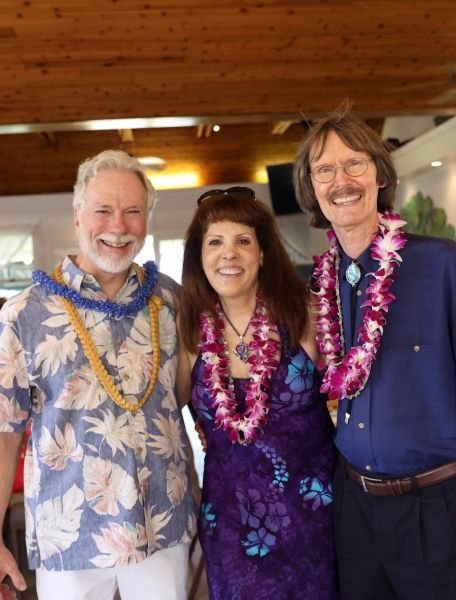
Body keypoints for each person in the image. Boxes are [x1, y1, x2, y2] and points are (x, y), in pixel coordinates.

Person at [0, 150, 196, 600]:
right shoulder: (24, 314)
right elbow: (4, 435)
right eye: (103, 211)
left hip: (163, 521)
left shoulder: (171, 300)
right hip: (69, 532)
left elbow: (181, 397)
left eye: (133, 212)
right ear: (77, 216)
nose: (118, 226)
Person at [293, 103, 456, 600]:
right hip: (355, 508)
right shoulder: (322, 284)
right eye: (324, 170)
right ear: (313, 188)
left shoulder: (443, 267)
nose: (340, 181)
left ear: (380, 175)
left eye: (354, 164)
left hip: (436, 509)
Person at [177, 187, 339, 600]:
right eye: (215, 242)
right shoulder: (189, 332)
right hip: (231, 526)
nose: (228, 254)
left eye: (243, 241)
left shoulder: (306, 313)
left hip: (317, 519)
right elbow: (162, 411)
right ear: (199, 256)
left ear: (263, 253)